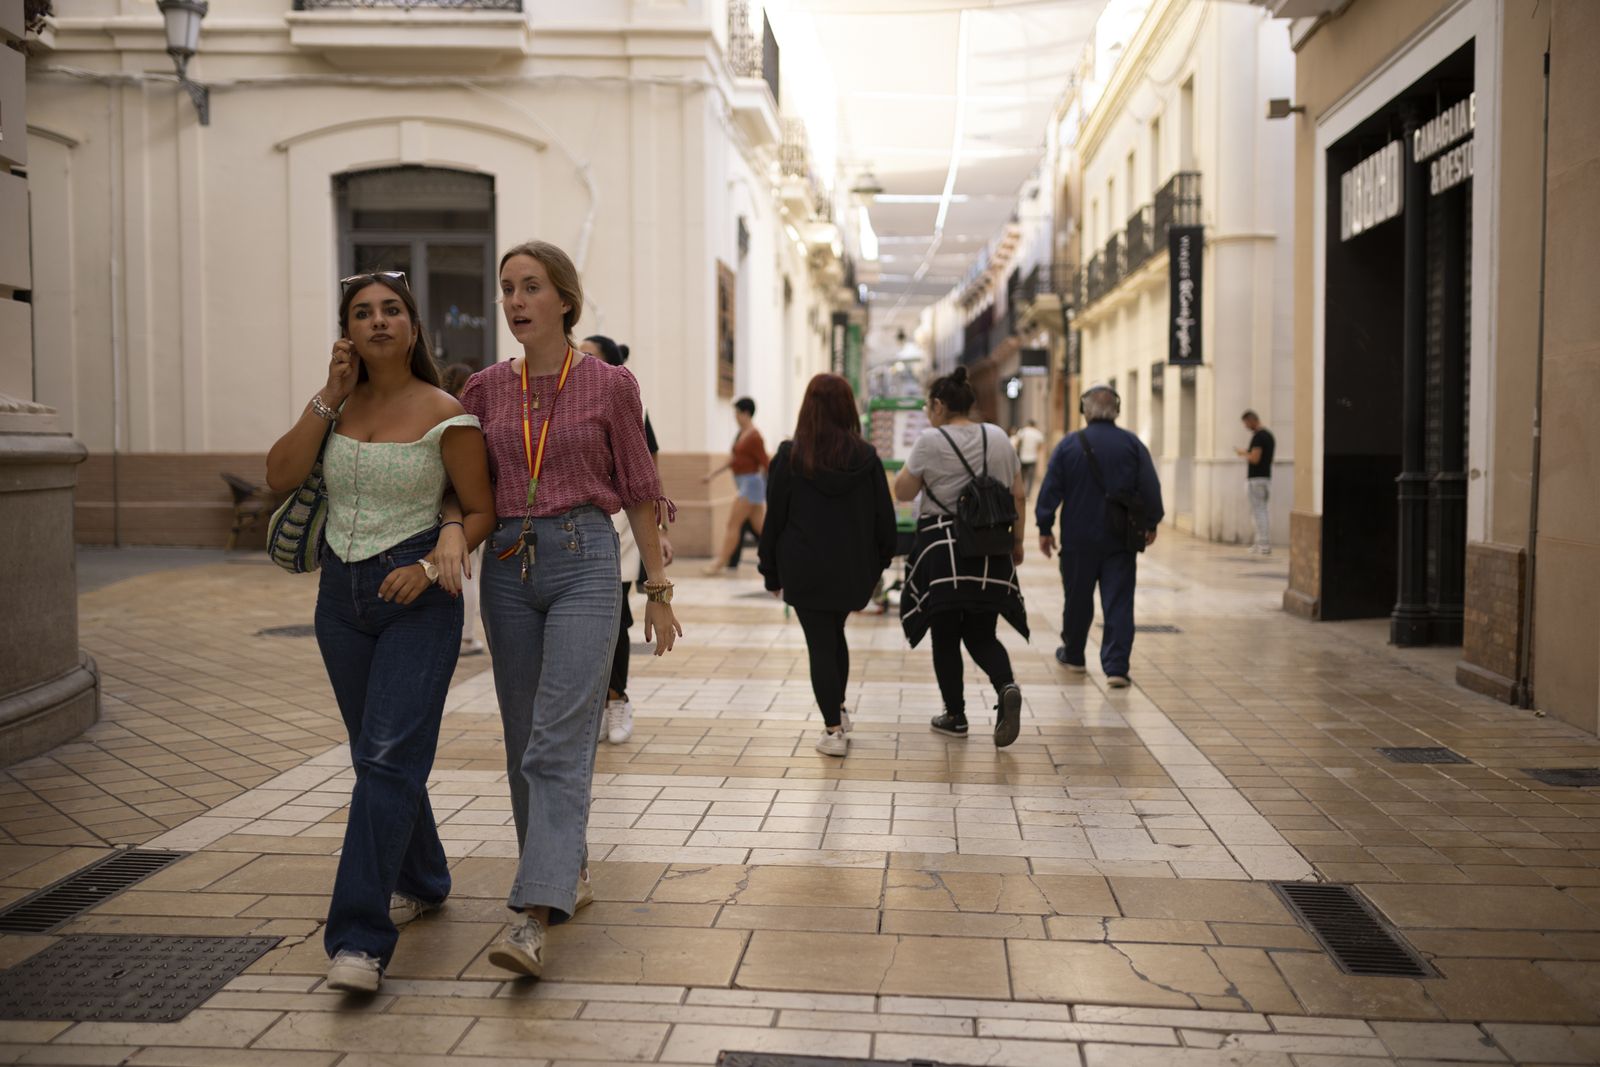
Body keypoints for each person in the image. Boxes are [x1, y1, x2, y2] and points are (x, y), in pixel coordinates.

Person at [445, 240, 681, 979]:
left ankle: (532, 912)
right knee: (524, 739)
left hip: (584, 561)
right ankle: (565, 865)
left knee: (557, 736)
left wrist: (659, 589)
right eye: (507, 289)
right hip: (508, 567)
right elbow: (456, 481)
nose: (516, 301)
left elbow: (640, 487)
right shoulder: (482, 389)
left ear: (565, 301)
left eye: (532, 288)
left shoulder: (611, 385)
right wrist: (453, 530)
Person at [265, 271, 494, 994]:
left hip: (417, 599)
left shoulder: (446, 411)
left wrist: (433, 562)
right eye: (362, 313)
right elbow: (279, 474)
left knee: (390, 758)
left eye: (391, 309)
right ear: (348, 332)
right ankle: (424, 874)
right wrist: (327, 395)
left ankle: (359, 938)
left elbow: (481, 508)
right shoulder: (335, 406)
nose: (378, 321)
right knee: (378, 757)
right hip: (340, 599)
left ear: (414, 326)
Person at [758, 374, 897, 757]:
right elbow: (884, 521)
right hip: (852, 569)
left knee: (821, 643)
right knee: (834, 636)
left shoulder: (790, 456)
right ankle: (838, 709)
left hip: (804, 568)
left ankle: (833, 730)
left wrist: (769, 570)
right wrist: (876, 568)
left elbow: (776, 519)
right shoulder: (866, 458)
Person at [894, 366, 1028, 748]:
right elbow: (1018, 493)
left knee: (946, 635)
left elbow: (904, 492)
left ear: (939, 404)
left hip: (943, 551)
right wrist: (1017, 542)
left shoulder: (929, 440)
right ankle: (1006, 687)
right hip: (991, 548)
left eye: (927, 406)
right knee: (983, 633)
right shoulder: (999, 437)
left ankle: (955, 715)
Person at [578, 334, 675, 744]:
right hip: (575, 532)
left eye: (590, 355)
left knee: (615, 617)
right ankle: (595, 704)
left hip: (620, 528)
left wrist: (661, 531)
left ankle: (617, 700)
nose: (580, 360)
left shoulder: (622, 399)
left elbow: (646, 471)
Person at [1035, 383, 1164, 690]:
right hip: (1120, 539)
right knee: (1118, 601)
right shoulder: (1132, 445)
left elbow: (1051, 488)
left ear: (1085, 410)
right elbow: (1150, 487)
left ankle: (1075, 655)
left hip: (1078, 538)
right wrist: (1151, 522)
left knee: (1077, 599)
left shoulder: (1068, 445)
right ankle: (1116, 667)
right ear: (1116, 409)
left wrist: (1044, 527)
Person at [442, 362, 486, 657]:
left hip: (451, 504)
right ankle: (465, 636)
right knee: (468, 570)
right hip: (469, 503)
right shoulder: (466, 418)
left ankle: (462, 635)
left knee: (462, 569)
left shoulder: (438, 412)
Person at [701, 397, 768, 575]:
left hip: (751, 484)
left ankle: (720, 563)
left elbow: (765, 463)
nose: (735, 417)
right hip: (744, 484)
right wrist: (712, 475)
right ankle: (785, 555)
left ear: (746, 413)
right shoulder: (741, 435)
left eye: (737, 413)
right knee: (761, 528)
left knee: (733, 523)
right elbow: (733, 459)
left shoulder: (755, 437)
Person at [1236, 410, 1276, 555]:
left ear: (1252, 420)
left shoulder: (1258, 437)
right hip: (1265, 478)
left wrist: (1243, 453)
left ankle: (1263, 543)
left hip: (1256, 479)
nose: (1246, 426)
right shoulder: (1269, 436)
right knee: (1262, 510)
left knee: (1259, 512)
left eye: (1246, 423)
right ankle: (1261, 543)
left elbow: (1255, 458)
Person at [1014, 419, 1046, 498]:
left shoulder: (1022, 431)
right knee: (1030, 477)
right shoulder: (1037, 433)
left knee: (1022, 477)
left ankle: (1021, 491)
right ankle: (1028, 494)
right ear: (1034, 425)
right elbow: (1040, 446)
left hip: (1022, 457)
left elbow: (1017, 443)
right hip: (1032, 458)